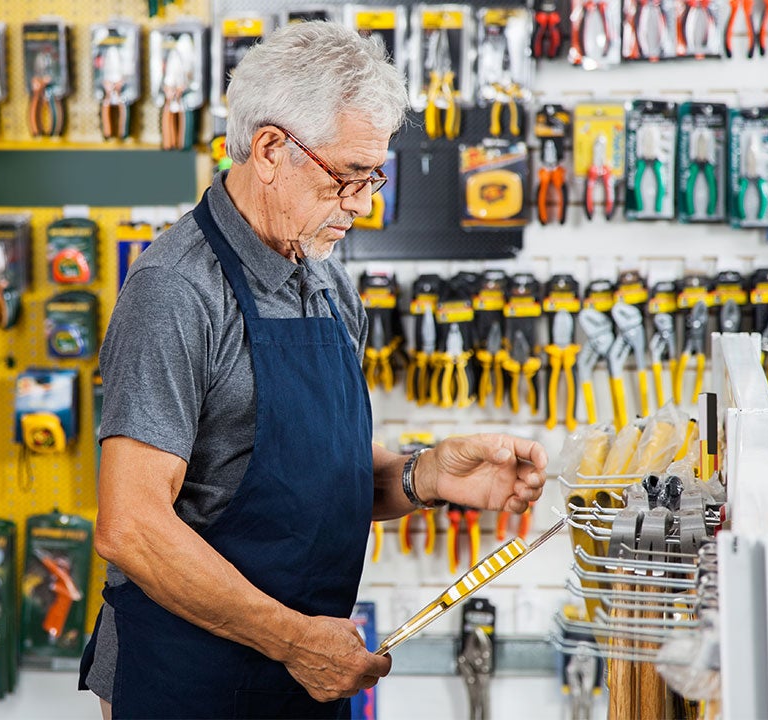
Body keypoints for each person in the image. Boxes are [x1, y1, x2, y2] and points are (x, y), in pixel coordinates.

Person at [78, 20, 547, 720]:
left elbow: (305, 473)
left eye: (371, 178)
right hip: (191, 686)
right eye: (346, 178)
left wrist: (425, 475)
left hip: (302, 683)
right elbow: (131, 525)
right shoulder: (175, 291)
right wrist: (294, 640)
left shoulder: (327, 281)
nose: (362, 204)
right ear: (270, 149)